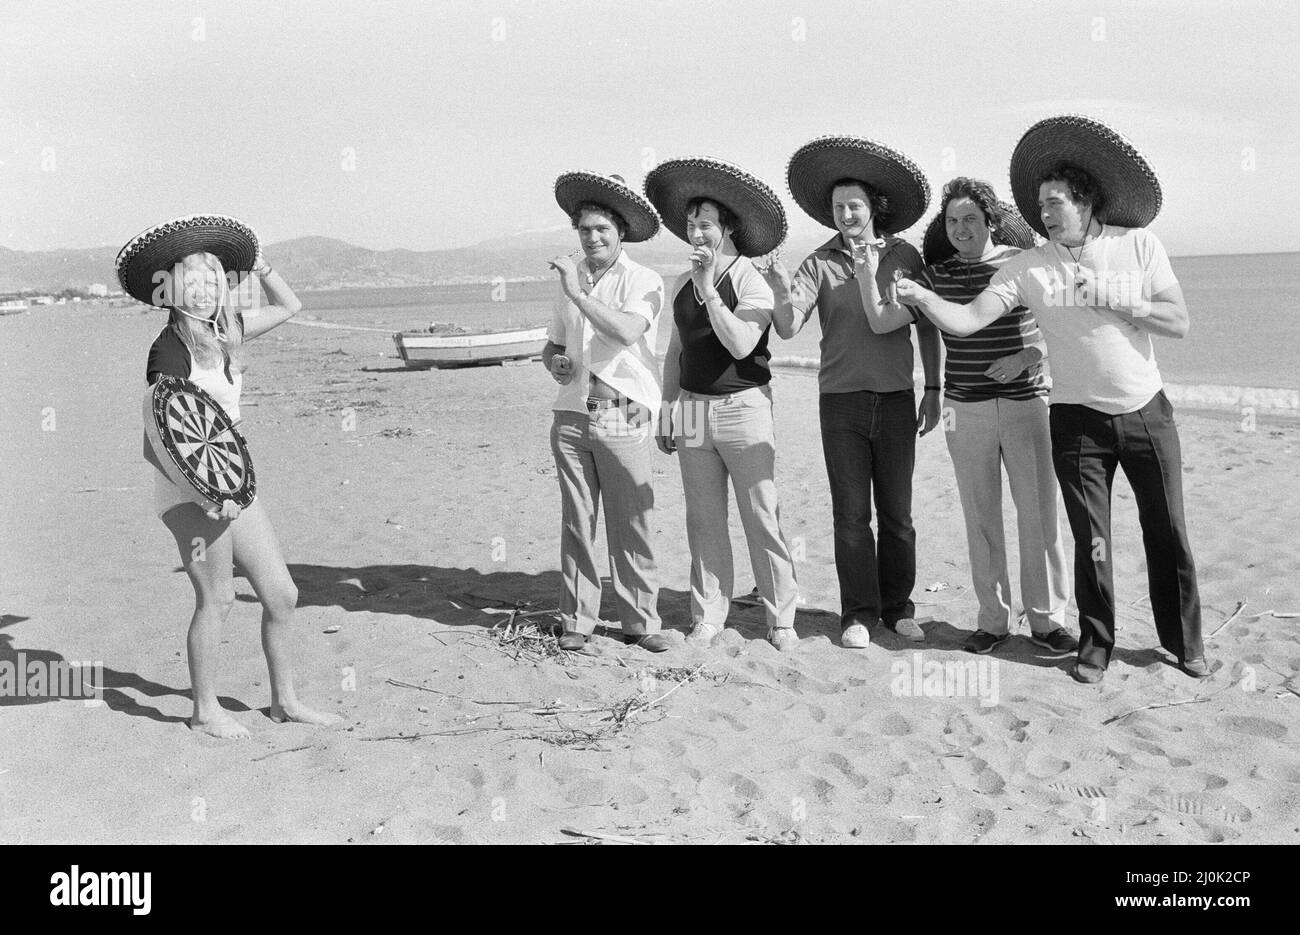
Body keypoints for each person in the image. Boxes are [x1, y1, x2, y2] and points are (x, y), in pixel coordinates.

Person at [895, 115, 1209, 683]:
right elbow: (966, 321)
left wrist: (1118, 300)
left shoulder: (1138, 245)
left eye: (1054, 200)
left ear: (1085, 201)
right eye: (1040, 203)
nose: (1044, 211)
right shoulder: (1029, 266)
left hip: (1146, 411)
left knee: (1168, 531)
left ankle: (1185, 643)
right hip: (1075, 419)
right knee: (1092, 540)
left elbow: (1178, 322)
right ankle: (1095, 645)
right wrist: (920, 295)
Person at [117, 214, 341, 738]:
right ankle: (204, 710)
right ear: (171, 290)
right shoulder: (168, 349)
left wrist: (259, 263)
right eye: (191, 283)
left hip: (233, 480)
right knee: (216, 597)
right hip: (185, 489)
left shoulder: (228, 330)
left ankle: (284, 701)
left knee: (282, 595)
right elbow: (155, 442)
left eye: (213, 281)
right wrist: (204, 495)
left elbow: (291, 306)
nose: (202, 292)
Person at [762, 136, 941, 650]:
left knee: (898, 515)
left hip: (897, 399)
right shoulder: (818, 263)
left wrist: (932, 387)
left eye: (854, 205)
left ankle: (898, 608)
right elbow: (789, 327)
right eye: (839, 207)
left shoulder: (903, 254)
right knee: (850, 514)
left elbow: (926, 324)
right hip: (840, 401)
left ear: (872, 208)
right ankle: (858, 612)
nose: (846, 214)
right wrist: (777, 289)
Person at [643, 157, 799, 651]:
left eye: (705, 225)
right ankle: (708, 615)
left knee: (761, 515)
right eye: (691, 226)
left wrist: (711, 289)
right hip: (691, 407)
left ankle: (781, 620)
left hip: (743, 405)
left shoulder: (750, 280)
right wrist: (667, 408)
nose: (696, 234)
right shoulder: (680, 283)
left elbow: (740, 346)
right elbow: (676, 352)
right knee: (703, 518)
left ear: (727, 227)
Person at [917, 178, 1075, 655]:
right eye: (952, 221)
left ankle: (1048, 623)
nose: (961, 228)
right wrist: (931, 387)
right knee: (980, 516)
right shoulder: (935, 276)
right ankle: (992, 621)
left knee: (1039, 515)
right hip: (963, 409)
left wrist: (1027, 357)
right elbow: (914, 329)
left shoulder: (1020, 264)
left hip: (1028, 403)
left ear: (990, 221)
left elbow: (1061, 328)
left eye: (970, 219)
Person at [544, 172, 670, 653]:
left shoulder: (644, 279)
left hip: (624, 412)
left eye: (601, 229)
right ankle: (577, 619)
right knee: (577, 519)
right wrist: (554, 361)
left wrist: (579, 291)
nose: (592, 238)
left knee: (631, 518)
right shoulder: (569, 281)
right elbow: (553, 343)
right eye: (584, 230)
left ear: (620, 232)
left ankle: (640, 622)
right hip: (572, 412)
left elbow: (623, 332)